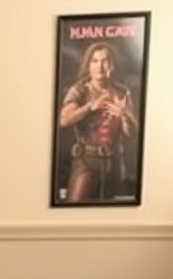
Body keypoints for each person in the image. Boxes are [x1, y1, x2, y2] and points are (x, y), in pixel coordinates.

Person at [58, 42, 139, 202]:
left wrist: (125, 116)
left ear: (112, 64)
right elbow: (64, 120)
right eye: (94, 61)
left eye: (105, 61)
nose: (99, 66)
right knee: (75, 210)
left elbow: (132, 133)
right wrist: (90, 107)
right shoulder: (80, 90)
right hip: (87, 161)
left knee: (112, 215)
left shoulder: (122, 92)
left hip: (115, 162)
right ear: (88, 65)